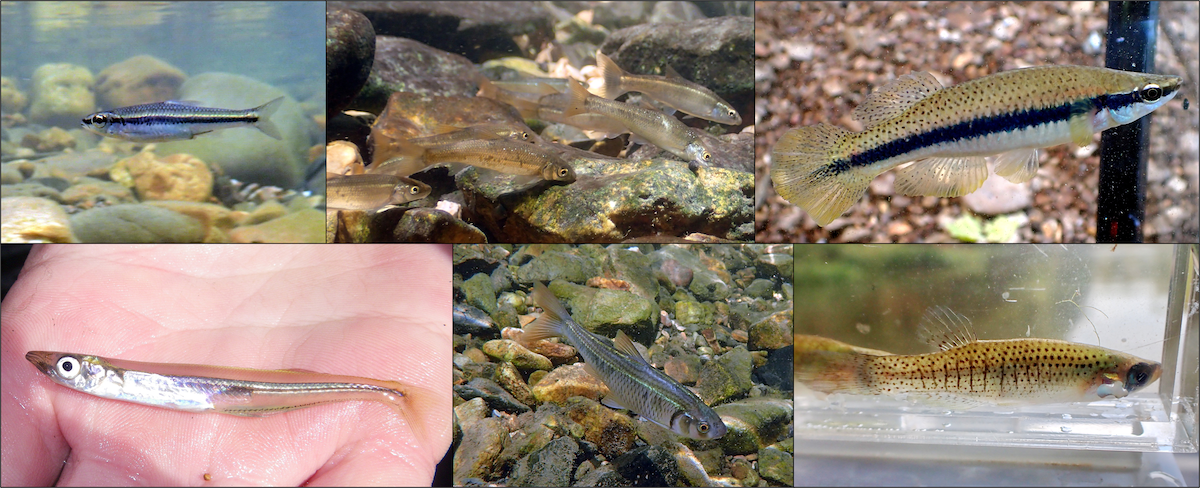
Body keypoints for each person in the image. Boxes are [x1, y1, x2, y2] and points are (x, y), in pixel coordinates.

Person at [1, 244, 451, 485]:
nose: (62, 371)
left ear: (95, 371)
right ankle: (388, 394)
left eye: (67, 367)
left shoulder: (106, 379)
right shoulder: (109, 379)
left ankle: (391, 395)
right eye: (66, 368)